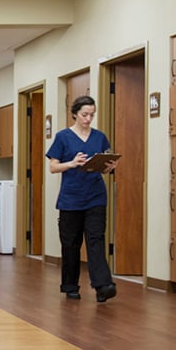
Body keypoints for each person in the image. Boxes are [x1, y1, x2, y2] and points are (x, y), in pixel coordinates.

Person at [45, 95, 118, 303]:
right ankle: (70, 286)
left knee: (96, 241)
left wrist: (110, 166)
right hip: (70, 199)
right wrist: (72, 163)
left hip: (95, 196)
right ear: (75, 113)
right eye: (85, 114)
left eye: (91, 115)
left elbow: (105, 162)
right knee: (71, 244)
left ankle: (103, 285)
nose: (88, 119)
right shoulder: (62, 137)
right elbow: (53, 167)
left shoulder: (100, 137)